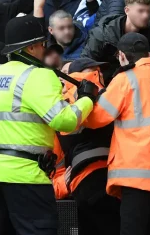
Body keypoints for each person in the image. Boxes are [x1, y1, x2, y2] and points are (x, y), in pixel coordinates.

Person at [0, 0, 98, 235]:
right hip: (27, 176)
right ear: (30, 48)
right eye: (41, 44)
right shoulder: (38, 76)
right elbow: (64, 121)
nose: (44, 49)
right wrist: (86, 99)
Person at [83, 32, 150, 235]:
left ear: (123, 56)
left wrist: (87, 98)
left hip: (134, 173)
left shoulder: (126, 78)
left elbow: (97, 119)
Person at [55, 57, 121, 235]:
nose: (100, 73)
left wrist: (63, 184)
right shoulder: (108, 95)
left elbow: (56, 156)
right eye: (96, 70)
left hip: (79, 182)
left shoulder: (61, 105)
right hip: (110, 177)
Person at [81, 0, 150, 85]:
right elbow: (84, 63)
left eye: (148, 11)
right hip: (106, 84)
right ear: (127, 10)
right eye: (140, 11)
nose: (146, 16)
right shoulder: (102, 34)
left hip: (138, 82)